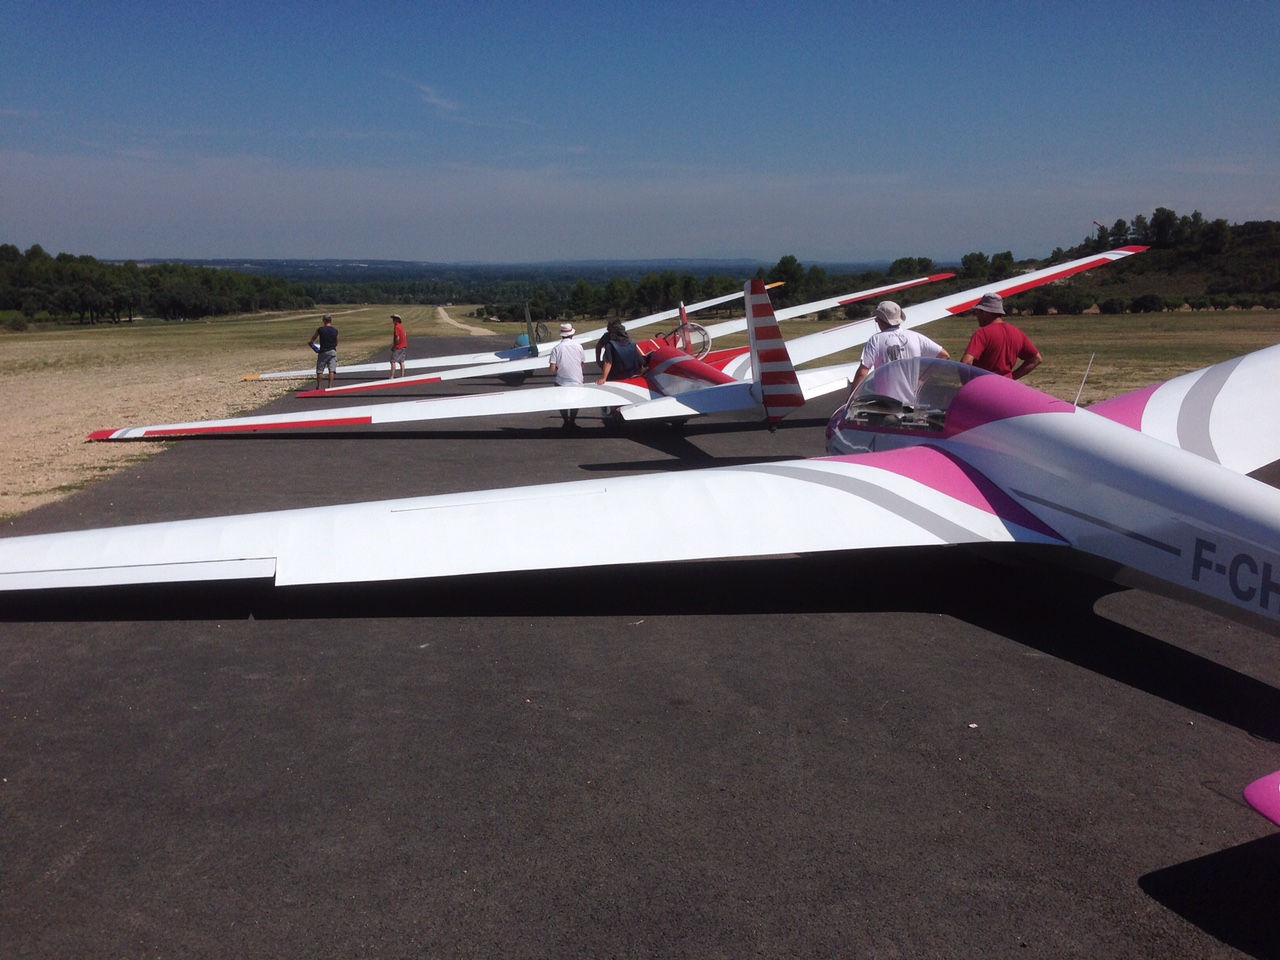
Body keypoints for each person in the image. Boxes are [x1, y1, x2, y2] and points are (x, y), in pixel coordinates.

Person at [848, 301, 950, 404]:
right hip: (911, 404)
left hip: (885, 406)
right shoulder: (916, 337)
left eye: (877, 320)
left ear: (881, 320)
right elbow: (944, 355)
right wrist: (922, 380)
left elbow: (862, 373)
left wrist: (851, 401)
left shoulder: (876, 340)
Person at [960, 293, 1042, 380]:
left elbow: (966, 362)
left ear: (986, 312)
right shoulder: (1018, 333)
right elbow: (1036, 359)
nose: (977, 315)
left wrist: (967, 385)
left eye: (979, 311)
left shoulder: (982, 334)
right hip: (1006, 388)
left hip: (984, 386)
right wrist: (1011, 378)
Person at [547, 322, 585, 428]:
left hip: (562, 381)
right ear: (572, 334)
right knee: (576, 401)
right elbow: (582, 364)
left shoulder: (556, 348)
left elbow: (552, 369)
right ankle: (572, 421)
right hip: (577, 380)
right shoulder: (579, 346)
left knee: (562, 401)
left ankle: (565, 421)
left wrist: (561, 368)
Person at [308, 314, 339, 390]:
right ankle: (330, 386)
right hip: (332, 351)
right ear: (331, 321)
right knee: (332, 370)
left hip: (323, 351)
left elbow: (313, 338)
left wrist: (311, 342)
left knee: (320, 370)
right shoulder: (335, 330)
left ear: (324, 321)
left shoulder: (320, 329)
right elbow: (336, 342)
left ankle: (319, 386)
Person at [389, 314, 408, 379]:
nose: (393, 320)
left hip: (398, 347)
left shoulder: (396, 326)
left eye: (394, 319)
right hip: (404, 346)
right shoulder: (401, 326)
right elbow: (404, 334)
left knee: (392, 361)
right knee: (401, 361)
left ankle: (392, 376)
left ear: (397, 320)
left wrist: (394, 346)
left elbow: (397, 338)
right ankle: (402, 376)